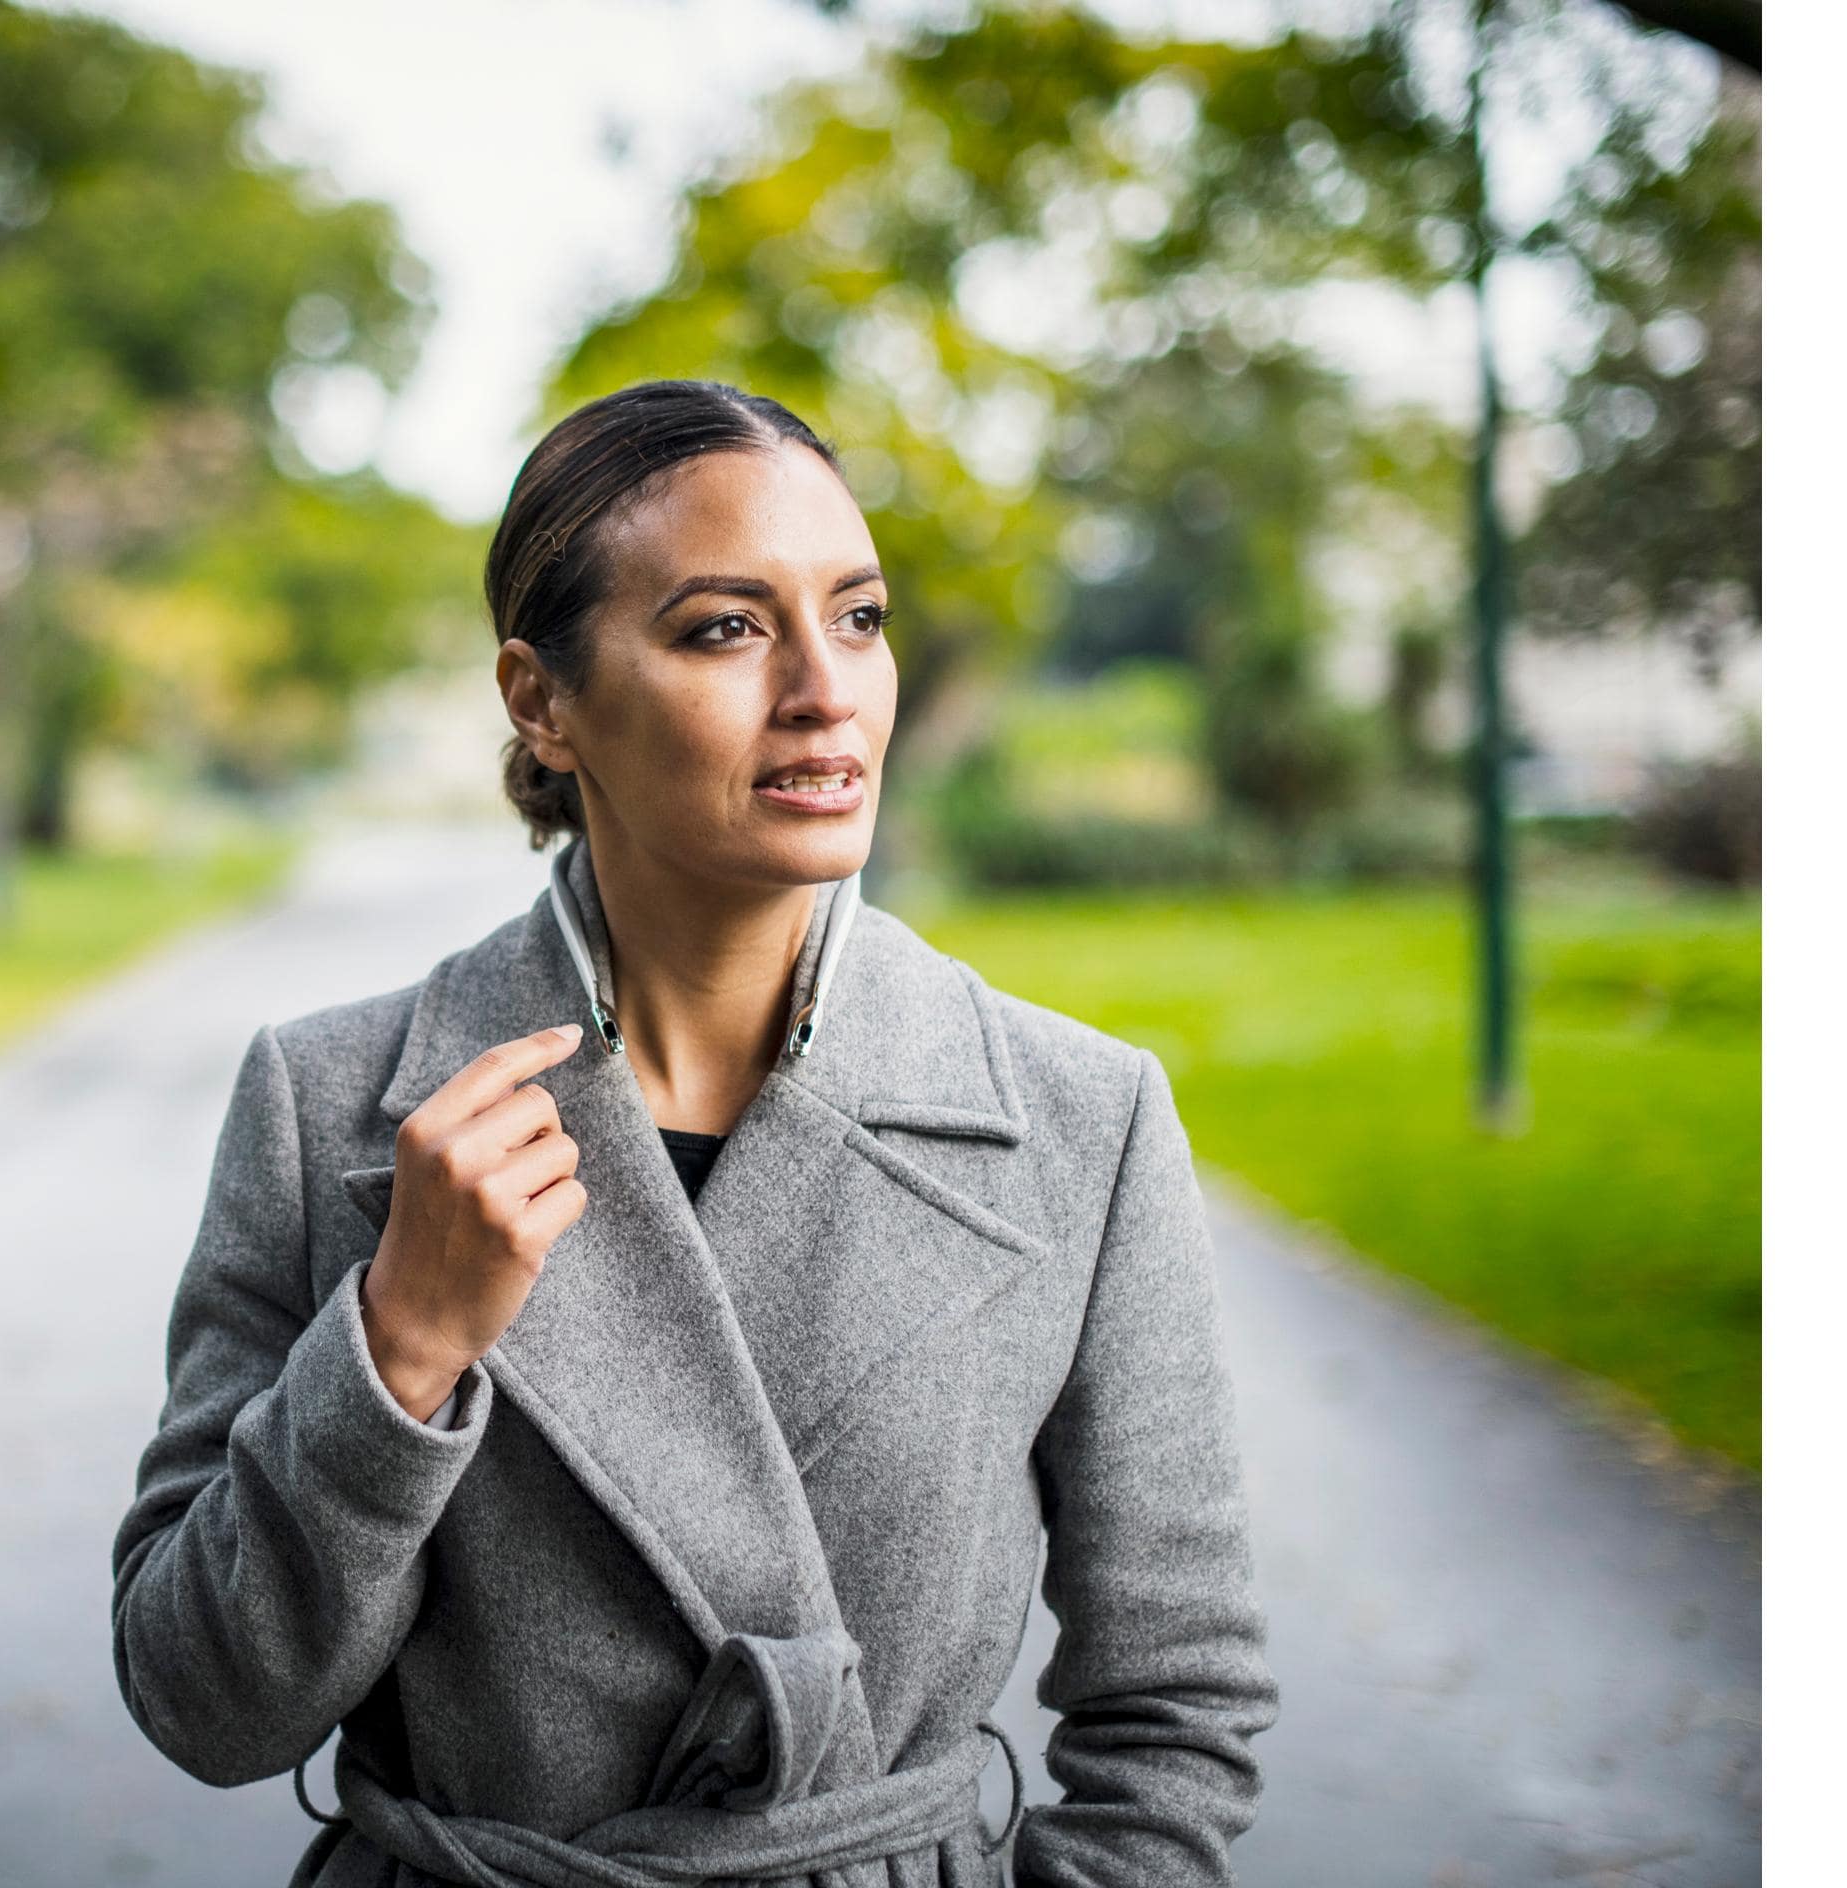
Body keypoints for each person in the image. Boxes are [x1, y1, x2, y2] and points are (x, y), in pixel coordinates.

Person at [110, 378, 1278, 1888]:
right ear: (542, 701)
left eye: (856, 618)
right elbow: (204, 1704)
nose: (825, 691)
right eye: (727, 628)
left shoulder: (1078, 1123)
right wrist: (399, 1347)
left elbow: (1176, 1706)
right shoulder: (330, 1104)